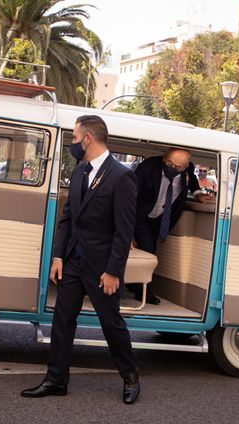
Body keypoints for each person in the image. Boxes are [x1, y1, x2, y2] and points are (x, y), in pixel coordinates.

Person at [20, 115, 141, 405]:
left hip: (102, 268)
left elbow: (124, 232)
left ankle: (130, 376)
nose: (72, 144)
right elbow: (68, 218)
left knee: (111, 323)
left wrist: (113, 271)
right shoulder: (79, 171)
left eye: (74, 138)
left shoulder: (121, 176)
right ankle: (56, 379)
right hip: (73, 261)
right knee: (62, 320)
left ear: (87, 138)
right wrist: (58, 256)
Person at [131, 148, 204, 304]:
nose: (172, 168)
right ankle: (141, 290)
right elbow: (131, 194)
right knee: (147, 248)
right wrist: (125, 230)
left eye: (178, 167)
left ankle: (137, 285)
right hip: (140, 214)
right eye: (170, 163)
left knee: (151, 250)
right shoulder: (148, 167)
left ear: (184, 167)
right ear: (165, 158)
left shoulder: (187, 170)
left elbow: (192, 181)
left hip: (160, 218)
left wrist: (198, 193)